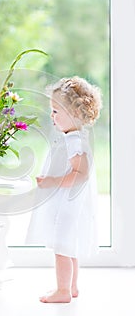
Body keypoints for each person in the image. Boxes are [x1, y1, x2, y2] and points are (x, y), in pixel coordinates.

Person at [26, 76, 102, 303]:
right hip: (71, 203)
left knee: (61, 246)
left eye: (56, 111)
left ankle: (63, 291)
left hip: (70, 204)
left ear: (75, 114)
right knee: (69, 245)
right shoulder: (73, 136)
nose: (52, 116)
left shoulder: (75, 141)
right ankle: (72, 286)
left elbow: (80, 174)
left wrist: (51, 181)